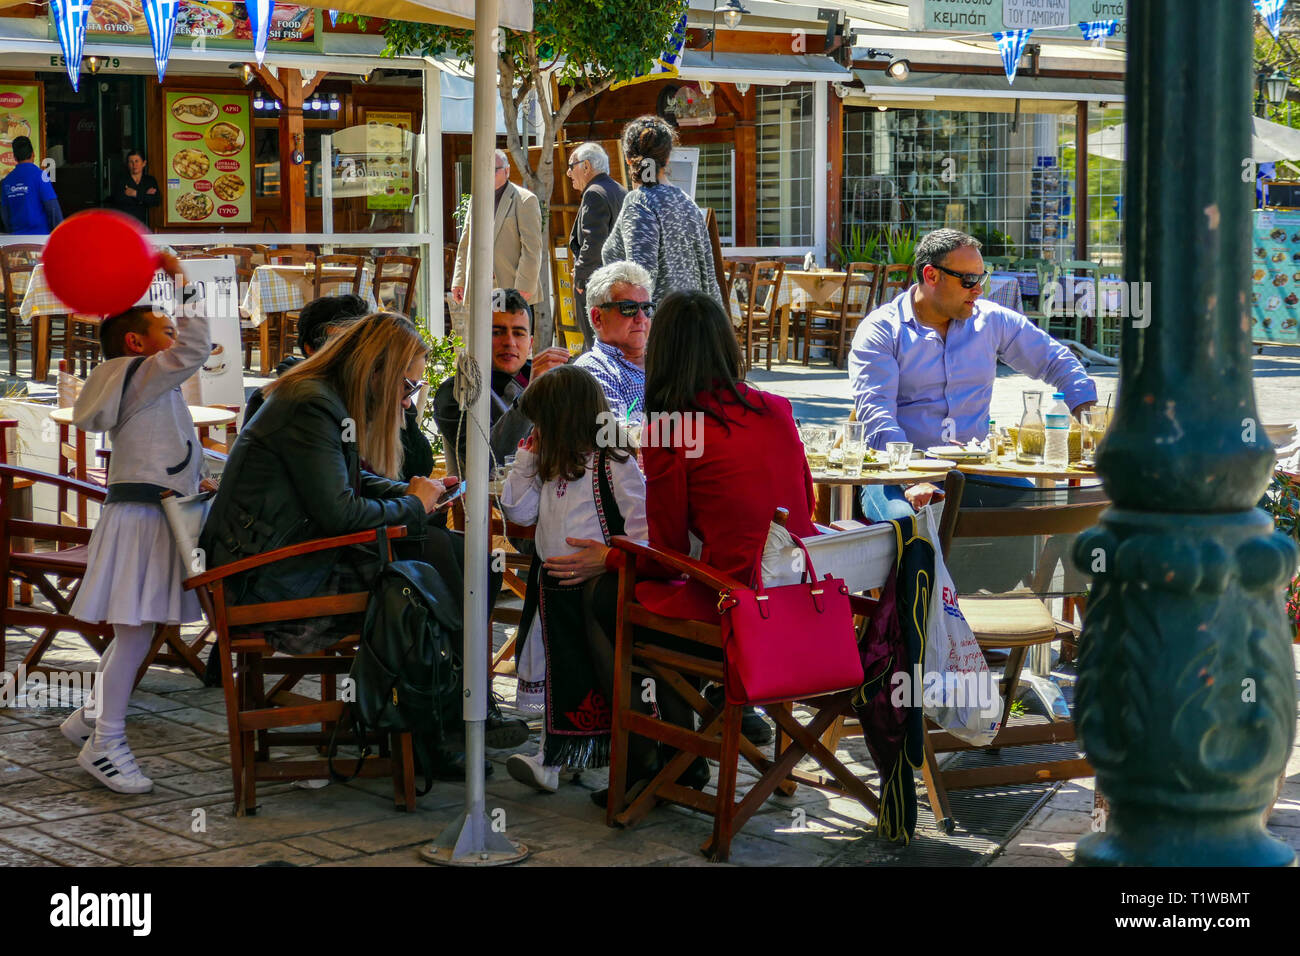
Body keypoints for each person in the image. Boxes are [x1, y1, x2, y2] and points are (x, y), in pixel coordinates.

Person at [200, 312, 525, 761]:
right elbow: (339, 512)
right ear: (377, 372)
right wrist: (414, 506)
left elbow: (348, 484)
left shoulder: (324, 399)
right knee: (431, 566)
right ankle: (443, 719)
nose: (409, 403)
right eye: (408, 387)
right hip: (262, 580)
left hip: (287, 560)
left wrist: (417, 495)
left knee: (467, 560)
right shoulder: (310, 405)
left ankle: (453, 708)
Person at [58, 252, 208, 794]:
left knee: (135, 632)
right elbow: (197, 346)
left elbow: (173, 446)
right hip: (142, 516)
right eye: (165, 330)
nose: (177, 338)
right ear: (136, 344)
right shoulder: (141, 375)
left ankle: (87, 721)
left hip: (148, 513)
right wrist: (183, 282)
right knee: (136, 630)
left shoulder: (143, 381)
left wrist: (201, 476)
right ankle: (107, 742)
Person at [849, 228, 1098, 522]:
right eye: (968, 280)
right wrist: (912, 479)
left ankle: (1030, 571)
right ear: (931, 275)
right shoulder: (882, 331)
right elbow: (877, 415)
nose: (978, 289)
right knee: (910, 524)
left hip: (974, 470)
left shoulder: (991, 320)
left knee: (1042, 514)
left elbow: (1057, 360)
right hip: (895, 472)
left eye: (982, 278)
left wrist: (1090, 421)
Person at [499, 365, 647, 792]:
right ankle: (555, 758)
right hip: (552, 589)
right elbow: (518, 512)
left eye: (543, 423)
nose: (538, 431)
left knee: (587, 677)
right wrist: (527, 460)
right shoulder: (553, 464)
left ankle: (574, 758)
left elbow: (642, 527)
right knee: (559, 674)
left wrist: (612, 558)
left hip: (595, 592)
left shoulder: (614, 462)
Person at [432, 288, 569, 478]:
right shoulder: (458, 391)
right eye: (497, 332)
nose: (510, 342)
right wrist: (531, 395)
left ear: (530, 343)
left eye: (518, 333)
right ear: (478, 338)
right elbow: (488, 463)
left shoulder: (548, 379)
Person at [602, 116, 721, 308]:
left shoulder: (640, 202)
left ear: (627, 158)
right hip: (696, 325)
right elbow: (709, 277)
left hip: (657, 331)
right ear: (667, 158)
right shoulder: (688, 203)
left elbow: (640, 281)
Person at [244, 293, 368, 422]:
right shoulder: (299, 404)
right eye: (339, 342)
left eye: (360, 340)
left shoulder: (369, 392)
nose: (354, 350)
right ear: (310, 349)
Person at [451, 150, 543, 305]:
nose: (487, 173)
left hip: (511, 288)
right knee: (480, 330)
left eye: (493, 169)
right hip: (479, 287)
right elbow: (466, 242)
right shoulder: (476, 199)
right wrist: (459, 280)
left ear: (507, 171)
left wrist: (524, 287)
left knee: (507, 330)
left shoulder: (525, 200)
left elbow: (532, 248)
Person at [567, 143, 627, 350]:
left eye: (571, 166)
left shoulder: (594, 193)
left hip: (598, 285)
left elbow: (593, 242)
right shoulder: (620, 191)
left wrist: (581, 277)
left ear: (586, 166)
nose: (568, 173)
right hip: (620, 282)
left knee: (596, 345)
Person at [573, 260, 651, 415]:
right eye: (629, 308)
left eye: (647, 308)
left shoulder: (664, 360)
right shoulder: (594, 368)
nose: (641, 318)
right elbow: (621, 435)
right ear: (597, 318)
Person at [1, 135, 62, 235]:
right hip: (39, 238)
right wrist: (59, 232)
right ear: (33, 154)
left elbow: (5, 214)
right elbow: (53, 208)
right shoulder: (41, 176)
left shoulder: (6, 181)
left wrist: (11, 232)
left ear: (15, 158)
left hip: (15, 240)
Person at [111, 150, 160, 228]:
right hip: (125, 223)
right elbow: (119, 200)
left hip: (145, 224)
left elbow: (156, 201)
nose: (134, 165)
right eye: (131, 162)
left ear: (144, 163)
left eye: (137, 161)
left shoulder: (150, 180)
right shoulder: (121, 180)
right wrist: (144, 195)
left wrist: (135, 193)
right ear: (128, 164)